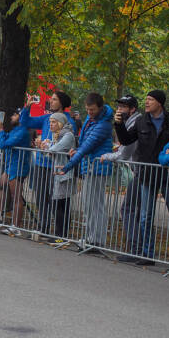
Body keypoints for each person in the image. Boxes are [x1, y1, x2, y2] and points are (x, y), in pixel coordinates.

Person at [115, 90, 169, 265]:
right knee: (145, 216)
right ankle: (147, 255)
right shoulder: (141, 121)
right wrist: (118, 125)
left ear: (160, 103)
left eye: (151, 100)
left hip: (168, 175)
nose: (147, 102)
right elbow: (126, 140)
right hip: (147, 175)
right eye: (146, 99)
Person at [59, 93, 114, 251]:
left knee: (95, 205)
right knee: (89, 205)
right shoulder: (92, 121)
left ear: (100, 107)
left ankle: (96, 241)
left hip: (98, 168)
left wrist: (68, 166)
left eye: (92, 109)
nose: (89, 112)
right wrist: (75, 151)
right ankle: (91, 238)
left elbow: (87, 146)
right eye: (87, 109)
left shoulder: (103, 125)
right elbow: (83, 145)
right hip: (90, 166)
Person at [19, 91, 77, 234]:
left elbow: (67, 143)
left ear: (62, 103)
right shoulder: (46, 118)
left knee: (58, 200)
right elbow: (25, 122)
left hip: (58, 166)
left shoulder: (70, 122)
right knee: (41, 197)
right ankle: (43, 227)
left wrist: (47, 146)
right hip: (41, 163)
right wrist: (27, 107)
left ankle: (60, 233)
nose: (50, 101)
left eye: (54, 99)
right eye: (51, 99)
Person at [100, 95, 141, 258]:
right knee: (138, 211)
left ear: (132, 109)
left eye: (123, 107)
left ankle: (136, 250)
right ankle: (139, 249)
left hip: (142, 172)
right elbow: (125, 146)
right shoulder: (130, 122)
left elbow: (124, 154)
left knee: (128, 209)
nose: (119, 110)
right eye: (119, 106)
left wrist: (107, 155)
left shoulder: (135, 122)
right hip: (139, 170)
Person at [0, 108, 31, 236]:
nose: (11, 116)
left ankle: (16, 227)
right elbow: (0, 140)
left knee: (16, 196)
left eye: (14, 115)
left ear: (20, 117)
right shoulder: (15, 130)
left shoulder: (23, 131)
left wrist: (1, 129)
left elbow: (3, 145)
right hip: (10, 166)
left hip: (18, 167)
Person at [42, 112, 77, 241]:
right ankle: (60, 235)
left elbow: (55, 149)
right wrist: (46, 147)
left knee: (59, 204)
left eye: (54, 122)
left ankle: (60, 236)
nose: (51, 124)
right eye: (50, 122)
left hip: (65, 175)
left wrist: (47, 147)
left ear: (61, 123)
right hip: (59, 174)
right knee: (60, 204)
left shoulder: (67, 135)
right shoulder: (57, 135)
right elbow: (50, 153)